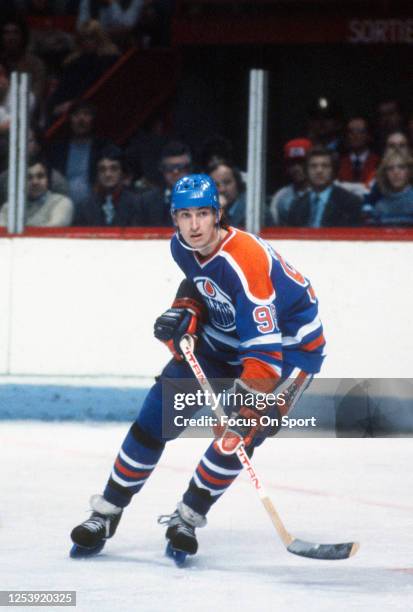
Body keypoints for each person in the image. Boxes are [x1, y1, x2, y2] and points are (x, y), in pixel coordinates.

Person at [70, 174, 326, 560]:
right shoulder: (180, 247)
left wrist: (247, 404)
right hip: (223, 340)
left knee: (237, 434)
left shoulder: (245, 261)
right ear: (174, 218)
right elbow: (199, 285)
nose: (194, 225)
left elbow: (266, 350)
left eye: (203, 214)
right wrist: (185, 312)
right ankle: (106, 512)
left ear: (218, 215)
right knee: (154, 417)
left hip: (289, 350)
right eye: (185, 215)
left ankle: (187, 517)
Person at [46, 100, 108, 208]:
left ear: (93, 119)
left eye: (86, 114)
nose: (81, 119)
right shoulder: (57, 149)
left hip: (95, 209)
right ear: (69, 119)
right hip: (60, 208)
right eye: (76, 114)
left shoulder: (103, 148)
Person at [287, 147, 362, 227]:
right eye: (313, 166)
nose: (319, 171)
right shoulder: (297, 205)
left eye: (325, 166)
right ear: (306, 171)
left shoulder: (350, 202)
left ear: (333, 171)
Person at [73, 144, 144, 225]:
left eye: (114, 168)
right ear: (97, 174)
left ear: (122, 173)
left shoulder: (137, 204)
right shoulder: (84, 207)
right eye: (102, 169)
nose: (108, 174)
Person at [0, 157, 74, 227]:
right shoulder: (9, 207)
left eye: (40, 176)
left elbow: (53, 230)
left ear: (48, 180)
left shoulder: (61, 202)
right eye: (29, 177)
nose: (35, 182)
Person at [138, 140, 193, 226]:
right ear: (162, 169)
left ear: (189, 169)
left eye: (181, 167)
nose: (175, 172)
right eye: (170, 168)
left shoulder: (202, 197)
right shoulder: (146, 201)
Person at [362, 150, 413, 226]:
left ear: (409, 172)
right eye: (390, 168)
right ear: (385, 174)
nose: (396, 172)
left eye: (401, 167)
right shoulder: (379, 206)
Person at [269, 138, 311, 225]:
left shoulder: (325, 193)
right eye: (292, 163)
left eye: (301, 162)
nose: (296, 168)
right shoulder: (280, 196)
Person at [338, 117, 379, 186]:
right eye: (351, 132)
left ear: (368, 135)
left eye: (360, 131)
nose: (356, 135)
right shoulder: (339, 164)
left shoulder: (378, 162)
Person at [208, 160, 246, 227]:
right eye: (216, 185)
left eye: (227, 182)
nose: (222, 189)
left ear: (237, 182)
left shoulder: (251, 209)